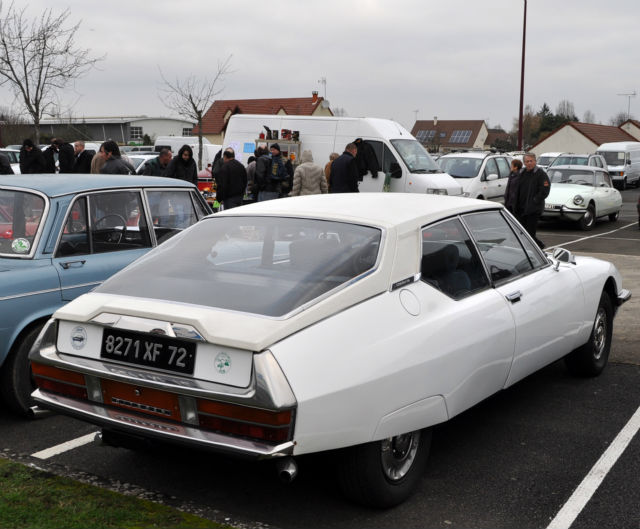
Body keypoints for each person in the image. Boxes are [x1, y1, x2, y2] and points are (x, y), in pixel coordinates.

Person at [513, 153, 550, 248]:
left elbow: (545, 190)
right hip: (521, 209)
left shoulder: (541, 174)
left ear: (535, 161)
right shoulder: (521, 173)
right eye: (527, 161)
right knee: (522, 232)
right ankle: (537, 246)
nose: (529, 163)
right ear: (524, 163)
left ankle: (538, 248)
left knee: (529, 233)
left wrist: (535, 200)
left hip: (533, 209)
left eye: (531, 161)